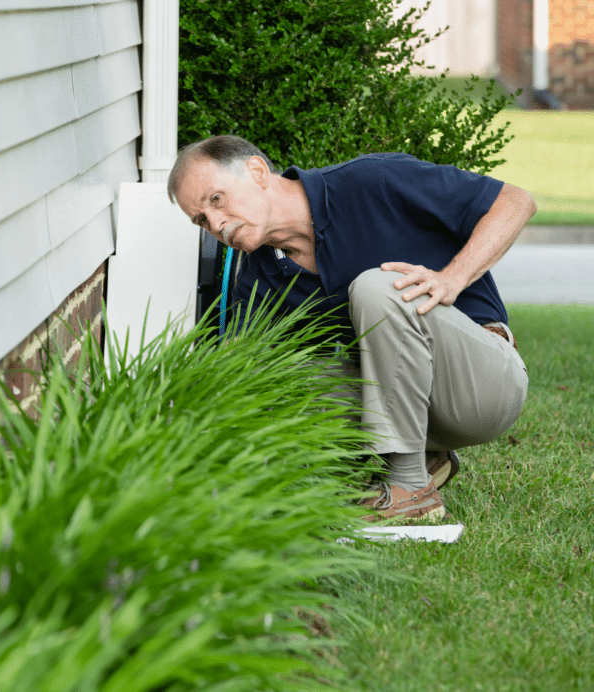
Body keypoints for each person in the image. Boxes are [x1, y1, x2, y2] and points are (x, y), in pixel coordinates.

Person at [167, 135, 534, 520]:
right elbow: (238, 379)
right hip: (414, 408)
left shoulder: (372, 181)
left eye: (217, 200)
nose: (217, 224)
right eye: (202, 220)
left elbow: (516, 202)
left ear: (257, 171)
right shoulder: (260, 279)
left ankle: (409, 488)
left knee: (377, 288)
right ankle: (418, 459)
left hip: (483, 388)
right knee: (265, 376)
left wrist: (451, 279)